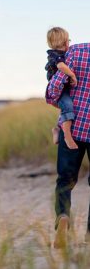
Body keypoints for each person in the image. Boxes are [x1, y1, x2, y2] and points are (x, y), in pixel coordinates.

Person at [46, 42, 90, 248]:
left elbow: (55, 87)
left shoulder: (77, 51)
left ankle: (63, 216)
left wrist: (57, 100)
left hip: (72, 128)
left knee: (65, 180)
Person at [45, 27, 78, 149]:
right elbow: (61, 66)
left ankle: (57, 129)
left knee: (64, 109)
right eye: (68, 40)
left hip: (64, 88)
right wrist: (72, 75)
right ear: (65, 42)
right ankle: (67, 136)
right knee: (68, 106)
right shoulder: (55, 55)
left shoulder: (64, 54)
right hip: (58, 90)